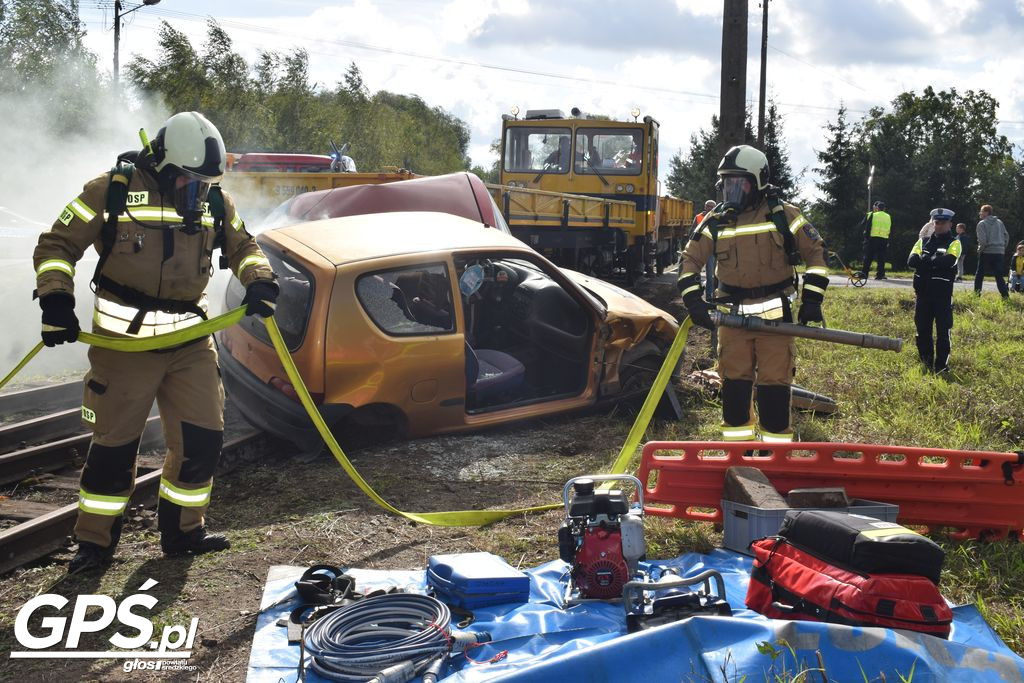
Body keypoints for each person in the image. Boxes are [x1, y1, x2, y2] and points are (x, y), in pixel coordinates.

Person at [32, 112, 279, 573]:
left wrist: (260, 281)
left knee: (203, 438)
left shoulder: (213, 200)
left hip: (190, 344)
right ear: (164, 164)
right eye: (190, 181)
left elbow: (246, 246)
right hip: (124, 348)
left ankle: (184, 533)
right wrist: (56, 302)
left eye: (205, 183)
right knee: (114, 448)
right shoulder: (112, 190)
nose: (198, 191)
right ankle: (95, 545)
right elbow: (56, 247)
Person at [677, 145, 828, 443]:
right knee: (734, 391)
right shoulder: (716, 221)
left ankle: (775, 455)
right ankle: (739, 455)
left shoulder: (784, 214)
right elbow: (688, 262)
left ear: (758, 181)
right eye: (727, 183)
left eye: (739, 183)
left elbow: (817, 256)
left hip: (776, 323)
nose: (732, 190)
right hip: (733, 324)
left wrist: (812, 300)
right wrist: (693, 300)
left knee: (774, 391)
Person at [908, 208, 961, 373]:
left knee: (943, 332)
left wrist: (927, 261)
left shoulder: (955, 242)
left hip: (942, 296)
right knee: (922, 330)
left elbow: (949, 262)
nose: (938, 226)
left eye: (943, 223)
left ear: (950, 224)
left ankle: (941, 366)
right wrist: (934, 261)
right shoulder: (923, 241)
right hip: (923, 294)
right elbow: (911, 260)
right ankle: (926, 362)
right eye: (936, 222)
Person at [975, 203, 1009, 298]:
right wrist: (1002, 247)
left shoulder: (981, 224)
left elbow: (982, 241)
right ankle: (1005, 296)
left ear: (986, 212)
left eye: (981, 211)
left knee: (980, 274)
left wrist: (979, 250)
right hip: (999, 252)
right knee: (999, 275)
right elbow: (1006, 236)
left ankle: (976, 295)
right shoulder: (999, 222)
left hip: (987, 251)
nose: (980, 213)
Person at [857, 200, 892, 280]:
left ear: (877, 208)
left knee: (868, 257)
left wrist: (866, 238)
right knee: (881, 258)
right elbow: (889, 229)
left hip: (873, 239)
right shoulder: (888, 216)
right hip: (884, 239)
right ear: (884, 209)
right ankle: (880, 275)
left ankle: (864, 274)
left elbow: (867, 227)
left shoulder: (873, 215)